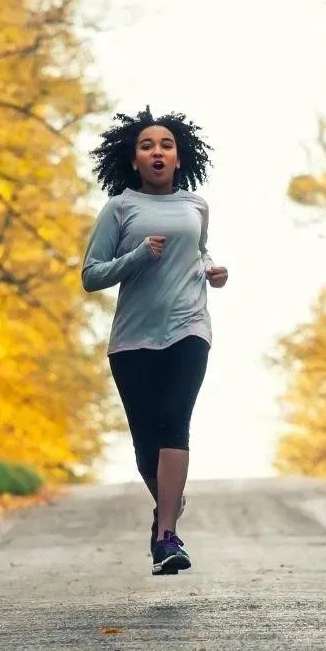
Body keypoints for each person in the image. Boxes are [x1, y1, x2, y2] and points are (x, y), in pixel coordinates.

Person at [80, 107, 228, 575]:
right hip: (133, 340)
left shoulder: (196, 206)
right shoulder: (119, 208)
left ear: (179, 158)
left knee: (173, 423)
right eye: (147, 146)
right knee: (147, 445)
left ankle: (167, 536)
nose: (157, 151)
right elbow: (91, 275)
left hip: (189, 329)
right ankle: (169, 504)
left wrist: (213, 271)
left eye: (165, 145)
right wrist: (139, 256)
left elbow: (198, 252)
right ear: (134, 160)